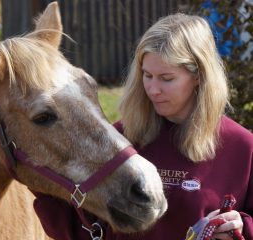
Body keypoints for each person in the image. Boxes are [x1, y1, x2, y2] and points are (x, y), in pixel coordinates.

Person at [33, 13, 253, 239]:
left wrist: (242, 226)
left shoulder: (243, 147)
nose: (153, 89)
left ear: (199, 76)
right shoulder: (118, 139)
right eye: (147, 75)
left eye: (167, 79)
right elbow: (77, 227)